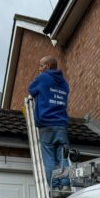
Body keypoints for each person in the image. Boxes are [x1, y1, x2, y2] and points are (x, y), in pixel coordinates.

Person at [28, 56, 70, 189]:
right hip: (61, 125)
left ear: (47, 66)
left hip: (46, 125)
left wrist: (40, 76)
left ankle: (55, 186)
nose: (39, 68)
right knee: (63, 157)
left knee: (49, 159)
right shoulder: (64, 82)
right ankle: (65, 185)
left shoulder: (43, 78)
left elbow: (31, 90)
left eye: (41, 65)